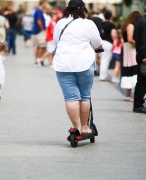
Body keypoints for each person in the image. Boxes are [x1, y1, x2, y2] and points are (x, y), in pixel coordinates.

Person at [53, 0, 102, 136]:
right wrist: (97, 48)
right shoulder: (88, 24)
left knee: (71, 97)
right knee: (85, 96)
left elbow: (56, 42)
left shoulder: (60, 23)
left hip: (63, 64)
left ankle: (76, 127)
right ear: (83, 10)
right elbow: (97, 43)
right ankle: (85, 127)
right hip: (84, 63)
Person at [120, 11, 141, 102]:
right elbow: (130, 39)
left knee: (129, 72)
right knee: (133, 71)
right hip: (131, 50)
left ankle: (128, 95)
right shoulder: (131, 26)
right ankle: (130, 95)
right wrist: (140, 43)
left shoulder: (127, 25)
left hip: (127, 50)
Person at [99, 10, 116, 81]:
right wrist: (115, 42)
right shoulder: (112, 25)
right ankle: (102, 76)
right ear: (111, 16)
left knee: (103, 59)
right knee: (106, 60)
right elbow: (113, 35)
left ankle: (104, 74)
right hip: (108, 43)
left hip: (101, 42)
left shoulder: (101, 23)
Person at [32, 0, 48, 65]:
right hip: (39, 31)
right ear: (43, 4)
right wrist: (42, 29)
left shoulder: (38, 10)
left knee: (38, 46)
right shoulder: (39, 11)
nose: (46, 5)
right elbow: (39, 21)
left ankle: (37, 59)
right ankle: (39, 59)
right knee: (42, 46)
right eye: (46, 3)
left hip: (36, 31)